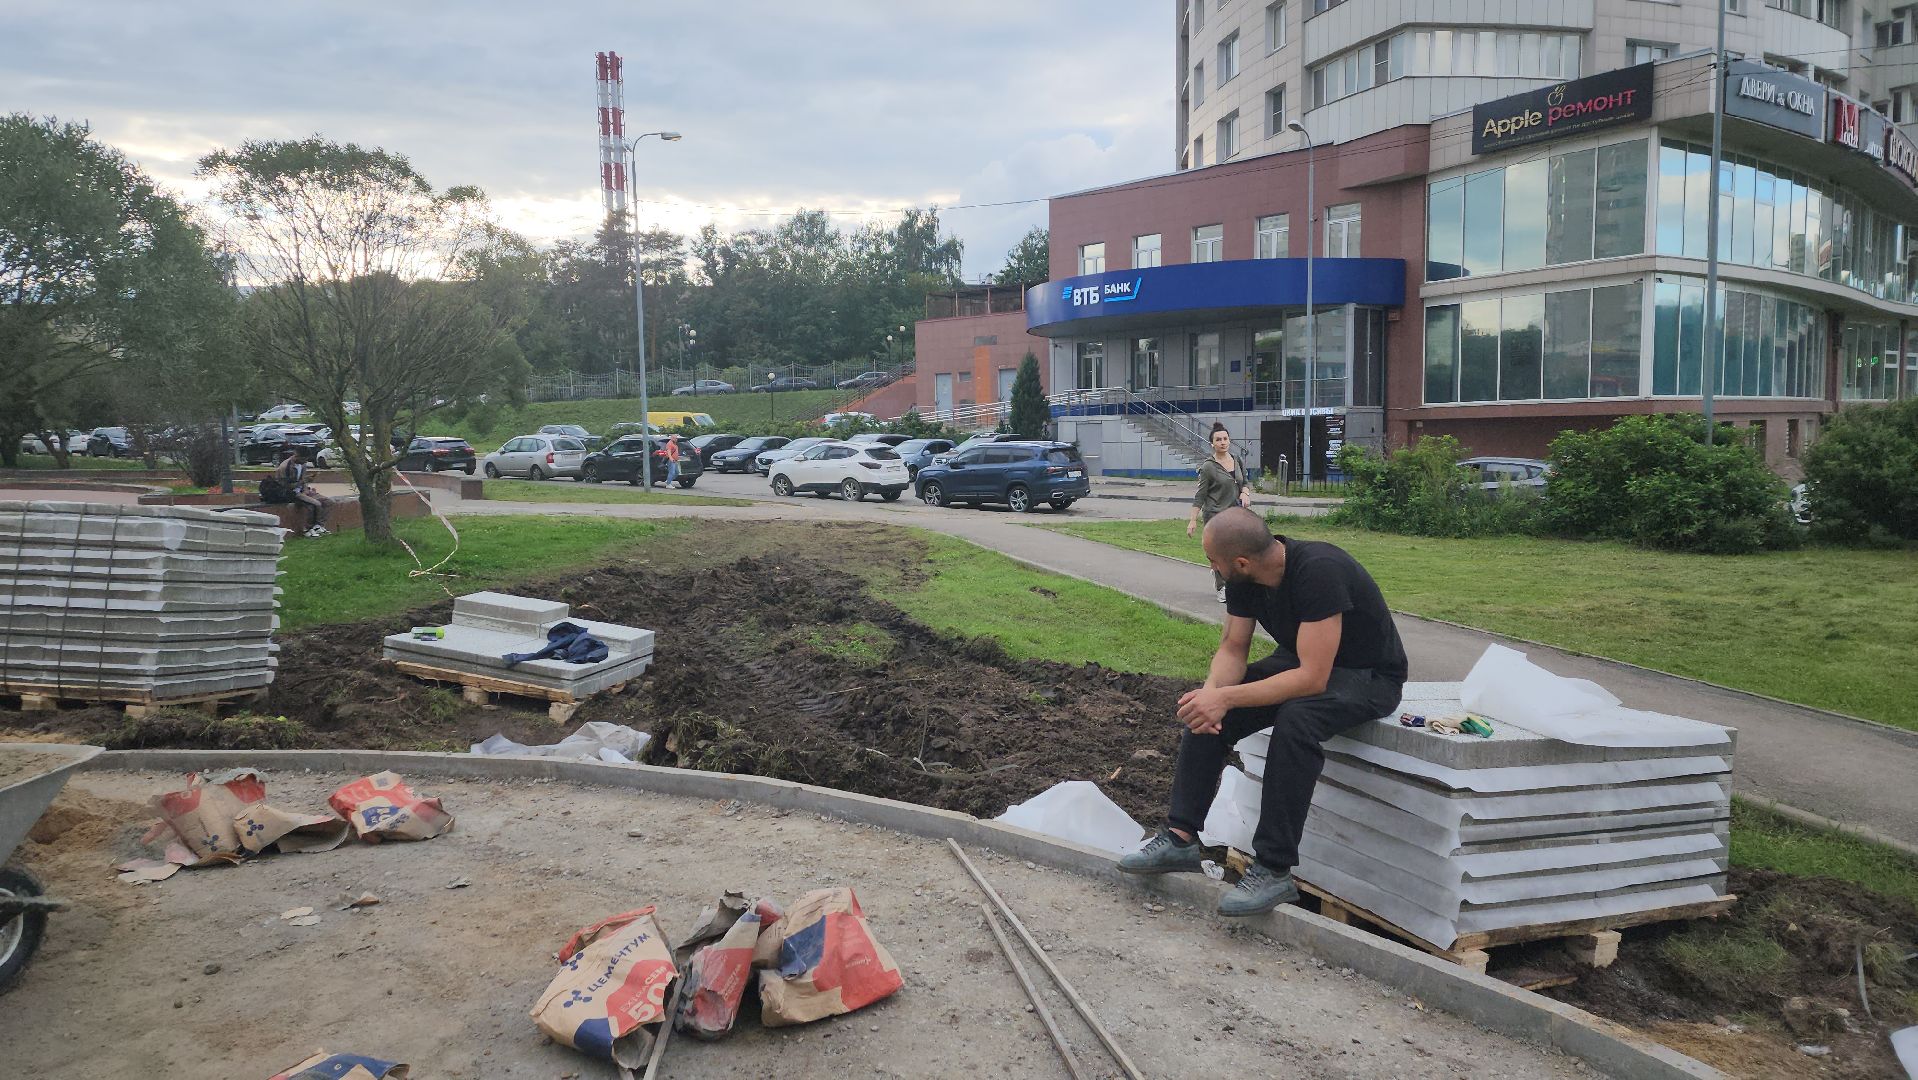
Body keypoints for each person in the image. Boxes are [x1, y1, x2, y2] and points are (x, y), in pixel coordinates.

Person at [1119, 507, 1407, 916]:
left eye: (1212, 561)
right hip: (1303, 662)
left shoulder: (1319, 571)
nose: (1211, 568)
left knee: (1297, 720)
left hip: (1368, 675)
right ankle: (1180, 838)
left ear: (1240, 561)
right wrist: (1213, 694)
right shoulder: (1243, 578)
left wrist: (1227, 698)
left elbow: (1312, 680)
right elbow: (1233, 648)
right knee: (1212, 709)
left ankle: (1273, 869)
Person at [1187, 422, 1251, 603]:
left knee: (1238, 551)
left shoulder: (1237, 460)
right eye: (1218, 440)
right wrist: (1193, 520)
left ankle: (1232, 581)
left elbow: (1244, 482)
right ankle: (1222, 586)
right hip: (1215, 516)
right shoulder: (1208, 467)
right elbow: (1200, 495)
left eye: (1225, 439)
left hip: (1235, 514)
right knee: (1220, 553)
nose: (1223, 442)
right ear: (1212, 444)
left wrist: (1245, 493)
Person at [274, 446, 329, 536]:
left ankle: (319, 526)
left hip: (303, 491)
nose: (306, 461)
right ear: (297, 456)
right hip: (292, 493)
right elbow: (285, 486)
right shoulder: (285, 467)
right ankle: (307, 529)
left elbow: (303, 480)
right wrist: (304, 482)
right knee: (316, 504)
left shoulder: (302, 465)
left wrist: (305, 487)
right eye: (304, 459)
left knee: (328, 502)